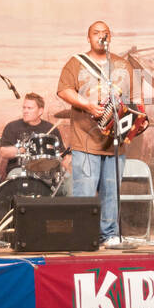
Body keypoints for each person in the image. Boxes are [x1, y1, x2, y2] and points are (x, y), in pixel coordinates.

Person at [57, 21, 141, 246]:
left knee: (111, 190)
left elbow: (136, 98)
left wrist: (135, 118)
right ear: (88, 38)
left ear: (110, 37)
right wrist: (87, 105)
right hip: (86, 138)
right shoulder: (76, 63)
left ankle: (109, 234)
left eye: (105, 33)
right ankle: (82, 235)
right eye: (96, 33)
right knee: (84, 189)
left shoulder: (123, 65)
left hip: (115, 141)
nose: (101, 37)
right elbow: (64, 90)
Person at [0, 91, 70, 193]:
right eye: (24, 107)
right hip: (20, 170)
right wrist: (23, 149)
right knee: (15, 177)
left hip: (47, 171)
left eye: (29, 108)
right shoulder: (12, 127)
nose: (25, 111)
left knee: (70, 180)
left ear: (40, 111)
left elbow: (60, 153)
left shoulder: (51, 128)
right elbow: (3, 152)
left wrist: (65, 162)